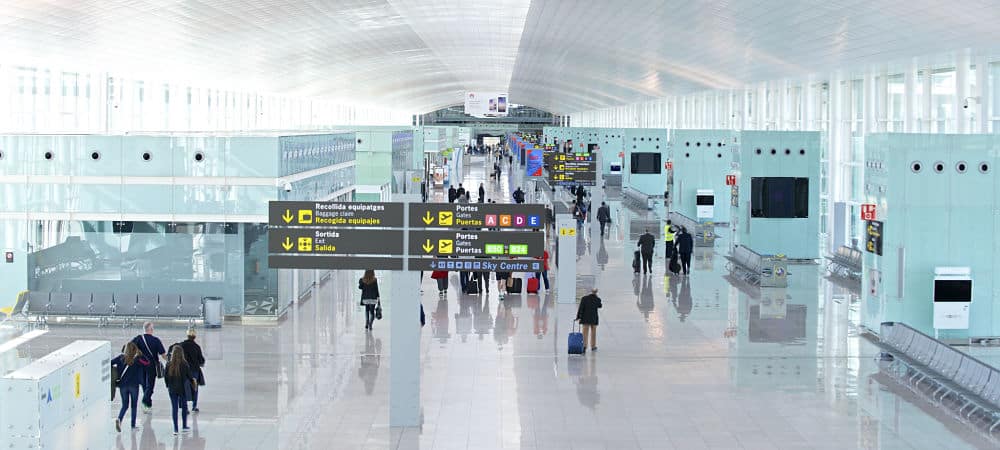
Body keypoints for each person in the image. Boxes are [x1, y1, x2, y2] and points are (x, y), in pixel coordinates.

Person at [111, 342, 146, 432]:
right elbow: (147, 363)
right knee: (134, 406)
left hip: (123, 386)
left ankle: (119, 419)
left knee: (125, 405)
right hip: (134, 386)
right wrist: (140, 354)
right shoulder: (138, 360)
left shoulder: (120, 358)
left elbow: (111, 363)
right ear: (135, 350)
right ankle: (133, 426)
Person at [131, 322, 166, 412]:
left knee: (144, 385)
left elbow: (129, 348)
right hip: (151, 366)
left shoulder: (138, 339)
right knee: (150, 386)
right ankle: (145, 401)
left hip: (140, 365)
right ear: (150, 329)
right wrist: (170, 361)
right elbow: (163, 354)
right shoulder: (156, 340)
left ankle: (148, 405)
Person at [163, 349, 195, 435]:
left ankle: (175, 429)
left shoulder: (169, 364)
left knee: (174, 408)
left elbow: (165, 377)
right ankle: (184, 426)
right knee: (184, 407)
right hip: (182, 389)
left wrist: (168, 385)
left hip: (172, 389)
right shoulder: (184, 364)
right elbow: (189, 376)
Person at [177, 329, 205, 413]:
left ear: (187, 336)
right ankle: (194, 406)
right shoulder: (197, 347)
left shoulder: (181, 345)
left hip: (183, 370)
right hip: (194, 370)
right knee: (194, 387)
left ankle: (184, 407)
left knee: (183, 388)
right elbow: (201, 360)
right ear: (195, 337)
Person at [576, 288, 602, 352]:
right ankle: (593, 346)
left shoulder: (584, 298)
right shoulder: (597, 299)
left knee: (585, 333)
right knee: (593, 333)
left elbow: (581, 308)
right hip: (593, 318)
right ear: (596, 292)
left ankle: (584, 346)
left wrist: (578, 317)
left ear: (590, 291)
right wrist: (597, 298)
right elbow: (600, 306)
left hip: (585, 318)